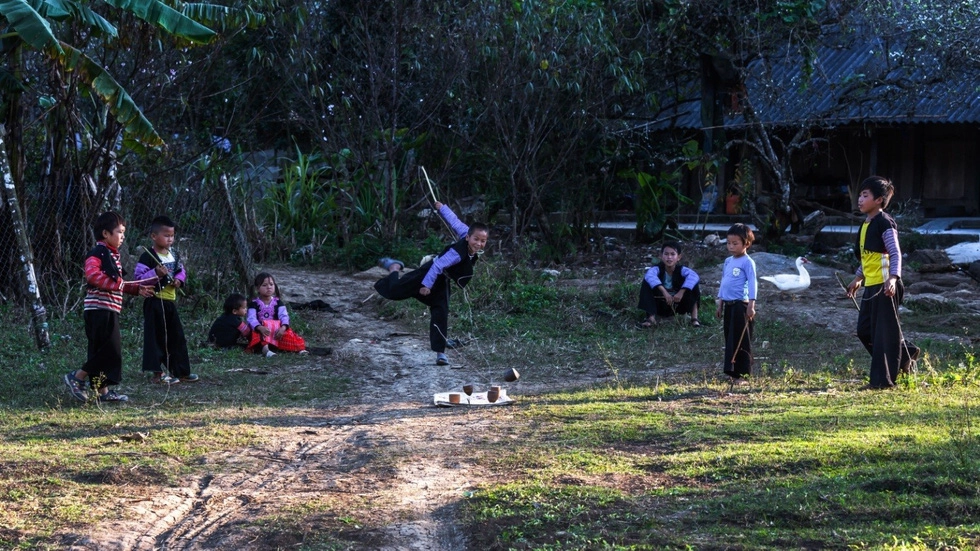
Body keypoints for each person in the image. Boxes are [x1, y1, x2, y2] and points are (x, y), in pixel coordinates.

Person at [374, 201, 489, 366]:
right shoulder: (456, 253)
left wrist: (442, 208)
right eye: (476, 239)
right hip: (427, 274)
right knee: (393, 291)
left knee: (441, 312)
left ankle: (440, 353)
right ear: (468, 237)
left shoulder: (466, 232)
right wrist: (426, 285)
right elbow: (437, 265)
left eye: (483, 241)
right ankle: (394, 267)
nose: (478, 243)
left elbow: (454, 221)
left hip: (443, 281)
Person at [63, 212, 155, 403]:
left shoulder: (112, 255)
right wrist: (121, 285)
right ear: (105, 233)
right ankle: (77, 376)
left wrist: (137, 289)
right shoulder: (97, 253)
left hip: (108, 309)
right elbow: (92, 276)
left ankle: (102, 393)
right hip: (100, 309)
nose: (122, 236)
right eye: (119, 232)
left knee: (99, 350)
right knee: (111, 350)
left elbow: (118, 283)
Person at [846, 176, 921, 389]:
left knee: (883, 335)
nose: (860, 199)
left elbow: (895, 253)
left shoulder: (885, 222)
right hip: (871, 286)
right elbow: (869, 257)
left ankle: (882, 382)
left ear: (879, 200)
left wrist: (893, 279)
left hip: (886, 287)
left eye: (865, 195)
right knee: (865, 331)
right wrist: (857, 278)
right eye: (860, 195)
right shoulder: (865, 224)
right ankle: (906, 354)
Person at [134, 216, 198, 384]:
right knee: (155, 338)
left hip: (169, 302)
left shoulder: (174, 255)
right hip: (154, 302)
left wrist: (179, 280)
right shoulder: (147, 257)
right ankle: (157, 374)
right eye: (166, 235)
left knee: (176, 337)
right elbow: (139, 279)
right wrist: (156, 274)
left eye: (172, 235)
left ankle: (181, 370)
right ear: (154, 236)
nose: (170, 239)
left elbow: (180, 270)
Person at [715, 223, 758, 382]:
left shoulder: (747, 262)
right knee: (730, 338)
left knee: (742, 339)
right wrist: (720, 302)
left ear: (746, 244)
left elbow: (753, 283)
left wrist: (751, 305)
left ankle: (744, 374)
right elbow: (724, 282)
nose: (731, 246)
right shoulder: (728, 261)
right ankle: (733, 372)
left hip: (742, 305)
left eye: (735, 243)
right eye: (728, 243)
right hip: (729, 305)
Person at [637, 241, 702, 327]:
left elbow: (694, 276)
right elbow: (650, 276)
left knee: (693, 285)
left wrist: (681, 292)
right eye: (666, 254)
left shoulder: (682, 270)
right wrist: (665, 292)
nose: (669, 257)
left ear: (678, 257)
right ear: (661, 256)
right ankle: (650, 318)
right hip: (660, 304)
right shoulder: (656, 269)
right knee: (647, 282)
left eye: (672, 254)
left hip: (678, 303)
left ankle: (694, 319)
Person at [246, 272, 308, 357]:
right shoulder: (254, 304)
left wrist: (283, 328)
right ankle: (266, 351)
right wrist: (260, 328)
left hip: (277, 330)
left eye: (271, 284)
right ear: (257, 288)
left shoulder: (278, 302)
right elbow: (251, 319)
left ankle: (299, 349)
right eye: (264, 285)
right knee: (258, 335)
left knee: (290, 335)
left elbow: (284, 316)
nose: (269, 287)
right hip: (261, 330)